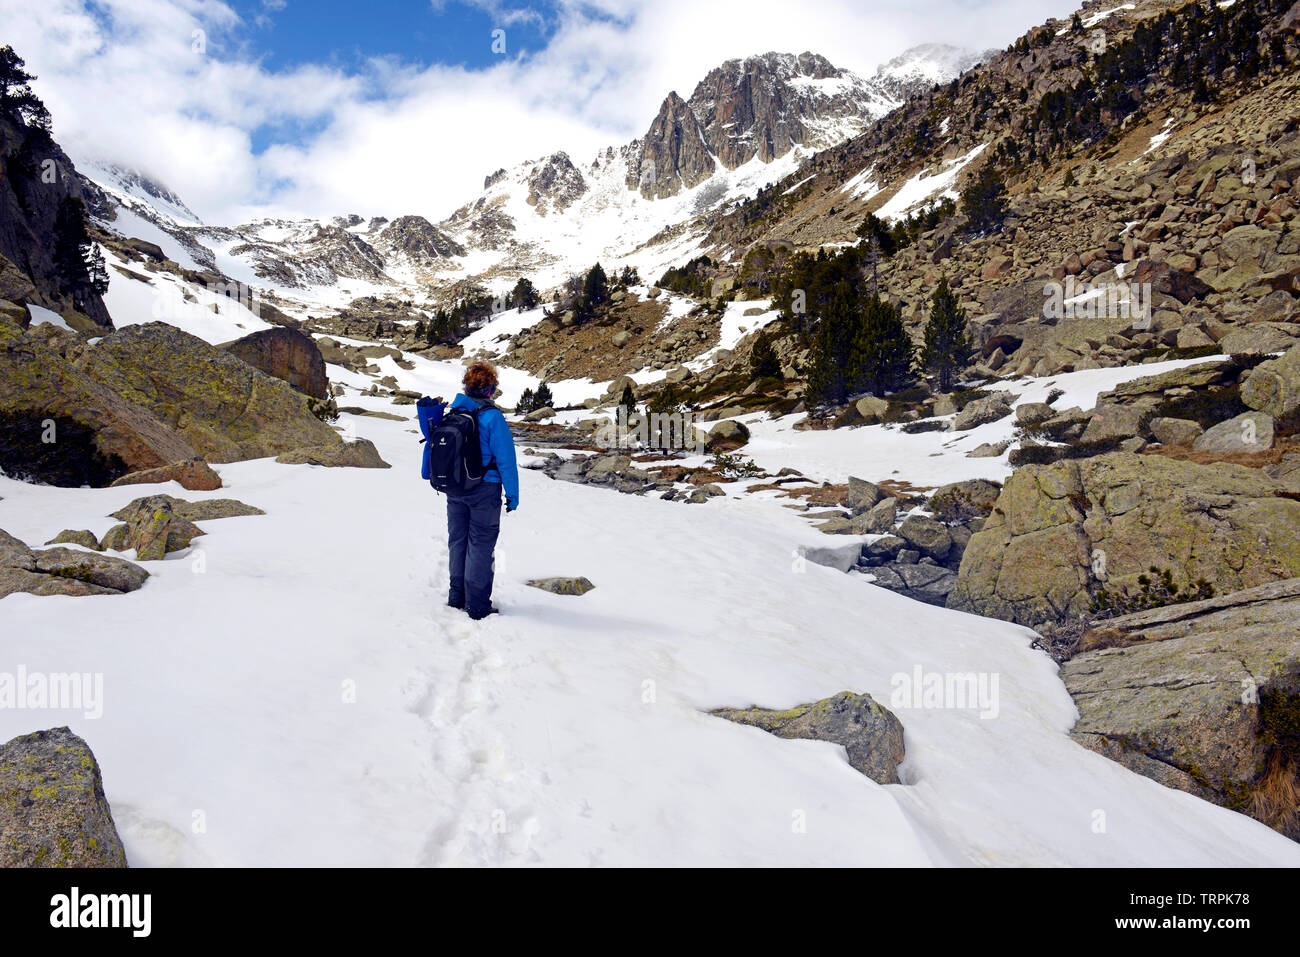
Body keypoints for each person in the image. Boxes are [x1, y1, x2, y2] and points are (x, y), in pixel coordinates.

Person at [444, 360, 519, 620]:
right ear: (490, 390)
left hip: (455, 489)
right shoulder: (492, 417)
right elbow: (506, 459)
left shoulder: (454, 412)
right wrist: (512, 494)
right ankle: (476, 605)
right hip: (485, 490)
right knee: (480, 545)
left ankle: (457, 597)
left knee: (457, 542)